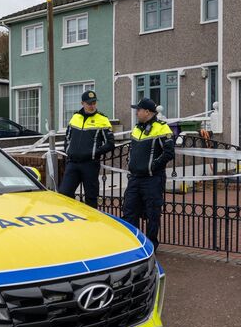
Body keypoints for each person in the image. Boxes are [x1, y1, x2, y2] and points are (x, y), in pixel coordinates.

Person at [122, 98, 175, 250]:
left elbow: (169, 153)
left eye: (138, 110)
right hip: (135, 178)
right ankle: (133, 243)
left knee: (152, 213)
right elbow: (132, 150)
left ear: (147, 112)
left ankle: (151, 245)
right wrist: (130, 163)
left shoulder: (162, 128)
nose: (136, 113)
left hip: (152, 179)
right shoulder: (136, 128)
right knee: (129, 210)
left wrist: (152, 166)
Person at [58, 90, 115, 208]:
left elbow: (110, 143)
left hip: (90, 165)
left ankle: (91, 219)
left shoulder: (102, 119)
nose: (92, 106)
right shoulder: (75, 117)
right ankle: (73, 215)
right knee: (64, 193)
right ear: (82, 103)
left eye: (94, 103)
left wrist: (93, 153)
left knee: (91, 197)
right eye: (89, 103)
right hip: (73, 163)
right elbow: (67, 137)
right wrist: (68, 151)